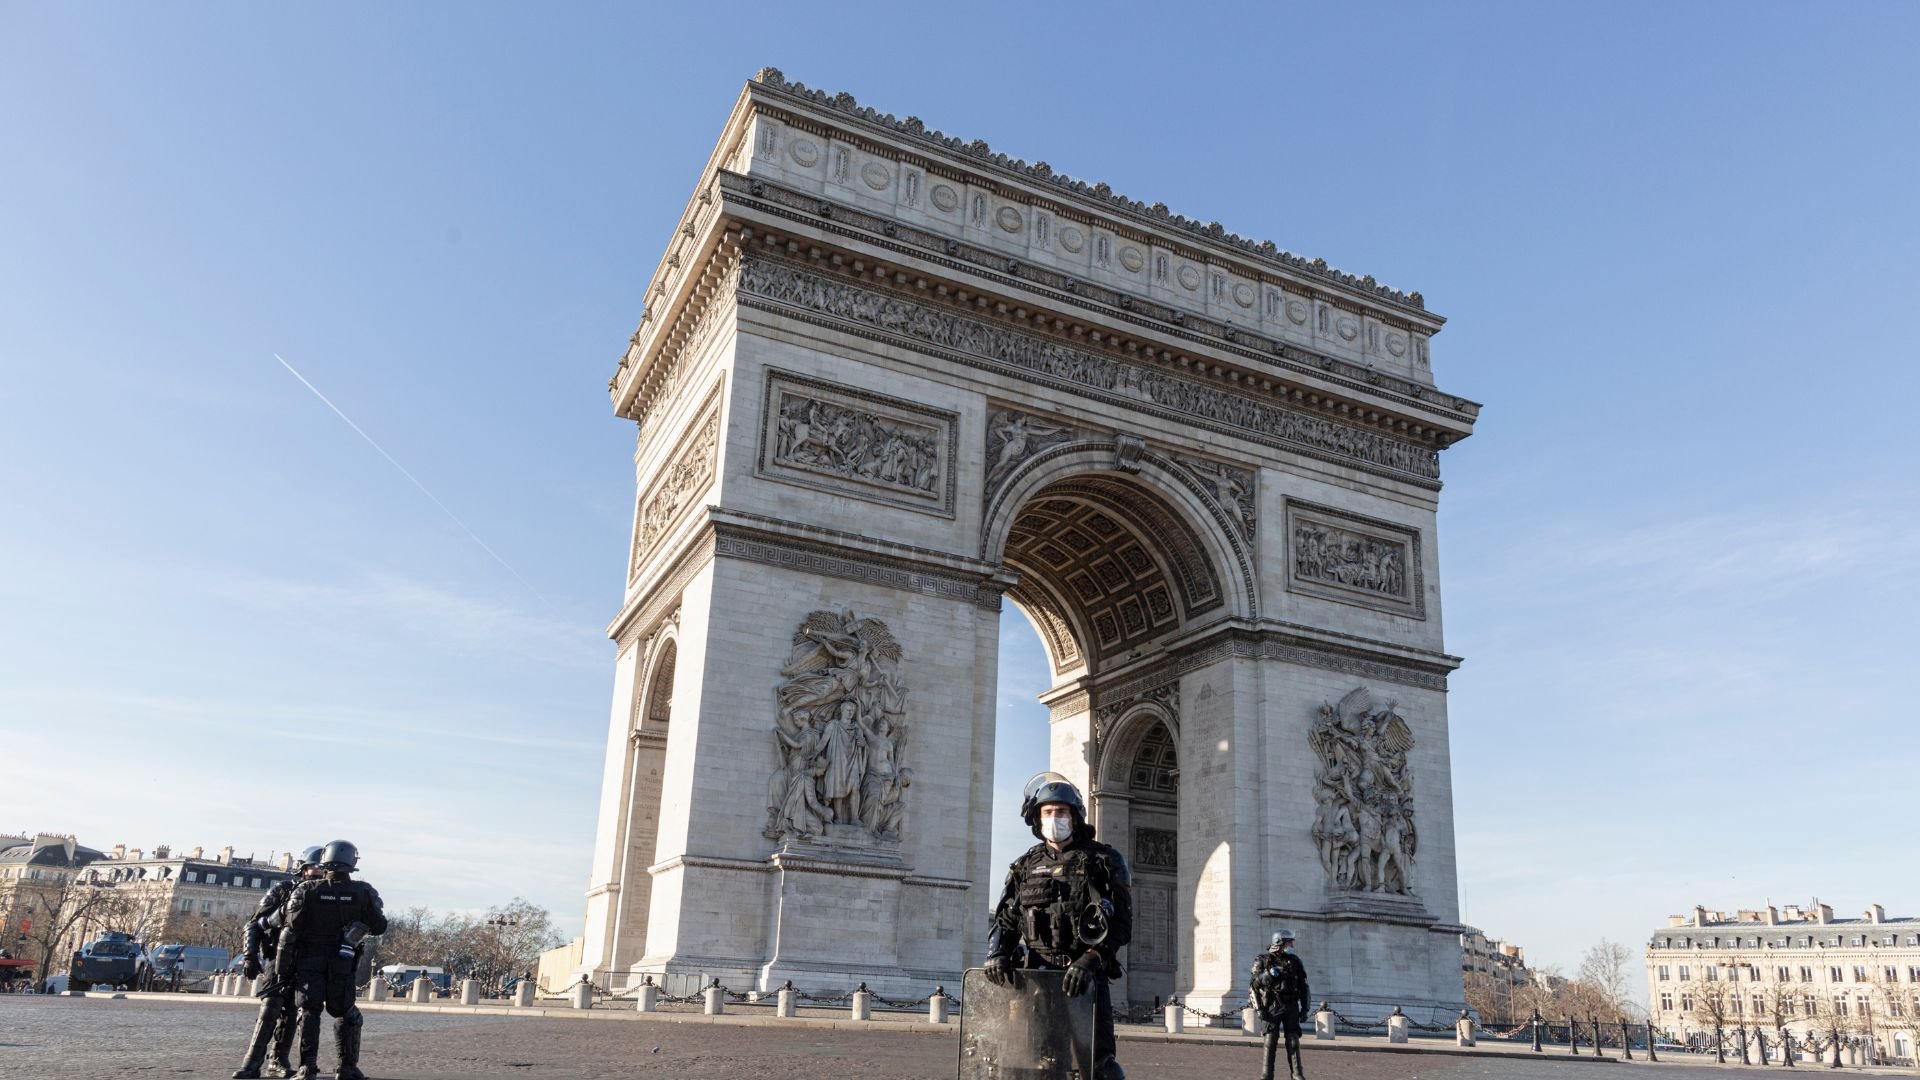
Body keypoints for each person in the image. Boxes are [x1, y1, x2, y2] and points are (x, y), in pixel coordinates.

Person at [984, 772, 1132, 1080]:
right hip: (1038, 981)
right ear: (1036, 818)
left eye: (1061, 811)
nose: (1055, 818)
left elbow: (1121, 923)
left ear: (1075, 817)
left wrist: (1092, 958)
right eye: (1048, 812)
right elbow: (1006, 920)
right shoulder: (1023, 866)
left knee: (1101, 1068)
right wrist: (998, 953)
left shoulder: (1103, 861)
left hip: (1085, 978)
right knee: (1044, 1063)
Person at [279, 840, 387, 1080]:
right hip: (343, 959)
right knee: (346, 1012)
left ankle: (307, 1067)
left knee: (309, 1011)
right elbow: (379, 925)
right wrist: (357, 927)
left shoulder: (307, 890)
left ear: (324, 860)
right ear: (352, 862)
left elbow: (290, 929)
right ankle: (347, 1067)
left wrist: (282, 970)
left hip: (310, 959)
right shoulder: (363, 891)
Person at [232, 846, 325, 1079]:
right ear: (303, 868)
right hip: (278, 956)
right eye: (314, 866)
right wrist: (249, 956)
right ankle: (251, 1064)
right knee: (270, 1008)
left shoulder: (327, 895)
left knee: (293, 1012)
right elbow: (254, 924)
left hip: (308, 960)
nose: (318, 871)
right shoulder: (283, 890)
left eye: (323, 868)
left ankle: (278, 1059)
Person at [1250, 930, 1311, 1080]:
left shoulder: (1295, 961)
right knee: (1270, 1040)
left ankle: (1297, 1074)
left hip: (1291, 1004)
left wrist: (1305, 1008)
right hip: (1273, 1004)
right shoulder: (1263, 960)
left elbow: (1304, 986)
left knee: (1293, 1040)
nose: (1292, 945)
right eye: (1289, 942)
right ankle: (1267, 1074)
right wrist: (1259, 1008)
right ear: (1280, 943)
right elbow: (1253, 986)